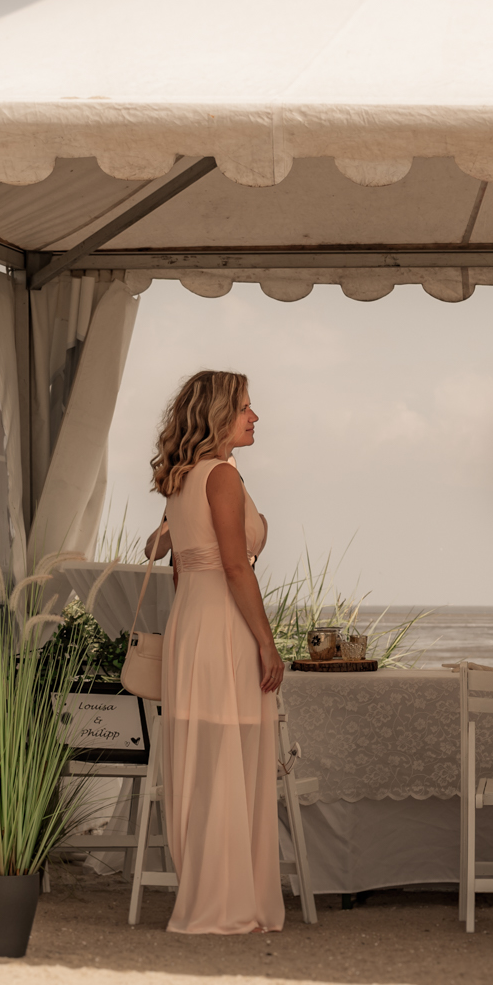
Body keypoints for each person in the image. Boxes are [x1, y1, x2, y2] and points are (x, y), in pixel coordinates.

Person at [147, 370, 285, 935]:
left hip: (190, 625)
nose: (255, 417)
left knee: (204, 762)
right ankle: (226, 905)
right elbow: (235, 567)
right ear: (219, 415)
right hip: (224, 625)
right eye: (246, 408)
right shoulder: (222, 475)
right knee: (231, 757)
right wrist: (266, 642)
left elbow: (181, 568)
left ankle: (213, 894)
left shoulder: (179, 478)